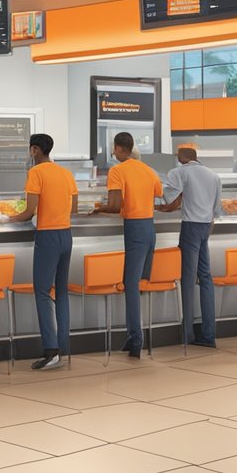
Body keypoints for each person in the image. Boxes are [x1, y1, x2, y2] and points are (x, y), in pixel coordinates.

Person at [9, 133, 78, 371]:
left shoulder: (36, 173)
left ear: (35, 150)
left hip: (47, 236)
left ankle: (50, 351)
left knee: (41, 292)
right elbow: (75, 207)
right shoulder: (65, 173)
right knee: (61, 292)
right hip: (66, 235)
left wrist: (9, 218)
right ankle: (63, 347)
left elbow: (29, 211)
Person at [93, 132, 163, 358]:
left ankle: (136, 341)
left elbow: (114, 206)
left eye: (114, 149)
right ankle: (135, 337)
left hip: (134, 229)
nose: (113, 153)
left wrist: (98, 208)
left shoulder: (117, 171)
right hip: (150, 229)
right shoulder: (148, 170)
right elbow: (157, 197)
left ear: (119, 149)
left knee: (130, 285)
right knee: (139, 284)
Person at [158, 144, 222, 348]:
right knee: (205, 278)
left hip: (191, 227)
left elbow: (169, 200)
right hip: (206, 227)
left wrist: (155, 206)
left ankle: (187, 334)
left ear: (180, 158)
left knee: (187, 279)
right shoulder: (213, 175)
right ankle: (209, 335)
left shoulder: (180, 172)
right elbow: (217, 209)